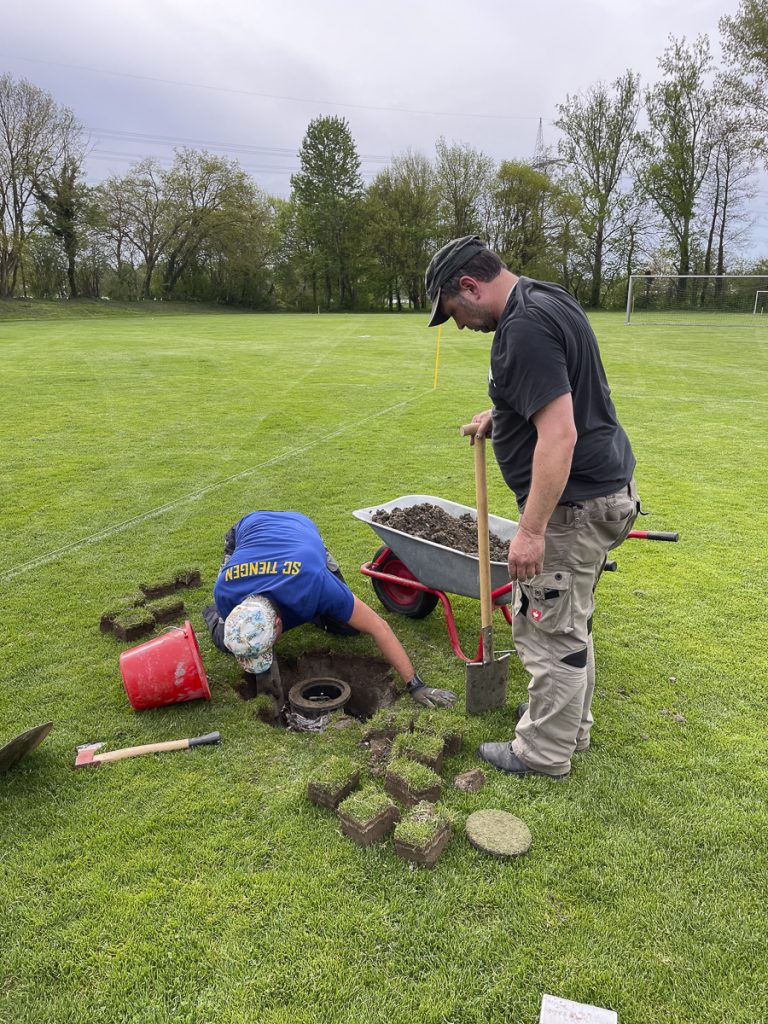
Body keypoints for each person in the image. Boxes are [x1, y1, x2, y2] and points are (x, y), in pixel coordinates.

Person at [425, 235, 639, 779]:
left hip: (573, 507)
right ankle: (570, 728)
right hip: (607, 489)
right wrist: (504, 413)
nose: (460, 325)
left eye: (454, 312)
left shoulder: (521, 328)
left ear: (469, 286)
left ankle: (542, 754)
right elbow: (558, 392)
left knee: (549, 632)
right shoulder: (547, 297)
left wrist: (532, 530)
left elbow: (560, 435)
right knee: (572, 622)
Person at [202, 511, 457, 709]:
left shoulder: (316, 583)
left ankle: (313, 612)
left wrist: (415, 685)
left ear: (279, 624)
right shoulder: (225, 591)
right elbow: (241, 634)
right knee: (227, 641)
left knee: (346, 627)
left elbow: (378, 627)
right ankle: (210, 614)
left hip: (299, 531)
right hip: (247, 531)